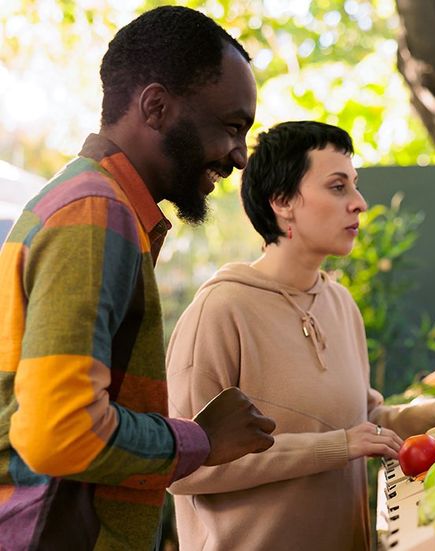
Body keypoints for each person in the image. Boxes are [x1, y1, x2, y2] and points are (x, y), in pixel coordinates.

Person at [0, 7, 277, 550]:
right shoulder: (93, 213)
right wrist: (202, 439)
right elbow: (60, 433)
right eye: (232, 126)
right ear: (155, 107)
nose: (241, 157)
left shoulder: (93, 206)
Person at [166, 121, 435, 550]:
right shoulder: (220, 311)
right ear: (282, 201)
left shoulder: (340, 304)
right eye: (338, 187)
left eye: (354, 186)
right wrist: (334, 447)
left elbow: (364, 422)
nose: (360, 203)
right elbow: (186, 466)